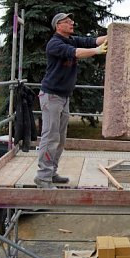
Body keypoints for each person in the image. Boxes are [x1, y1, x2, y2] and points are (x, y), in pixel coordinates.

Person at [35, 12, 108, 189]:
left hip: (63, 96)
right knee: (50, 137)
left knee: (60, 138)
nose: (72, 23)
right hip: (51, 96)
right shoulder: (55, 44)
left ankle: (51, 172)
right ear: (58, 25)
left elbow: (91, 41)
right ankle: (43, 178)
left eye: (71, 21)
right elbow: (76, 53)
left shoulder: (71, 39)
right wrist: (96, 52)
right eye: (67, 22)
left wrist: (114, 33)